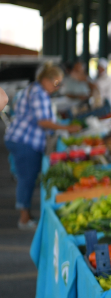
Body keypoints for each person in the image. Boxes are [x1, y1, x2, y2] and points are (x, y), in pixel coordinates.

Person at [5, 62, 81, 229]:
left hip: (21, 138)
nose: (57, 87)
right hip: (25, 140)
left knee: (26, 177)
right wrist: (66, 128)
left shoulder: (35, 89)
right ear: (46, 80)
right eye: (56, 83)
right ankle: (24, 219)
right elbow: (43, 121)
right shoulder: (38, 93)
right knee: (27, 178)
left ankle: (25, 214)